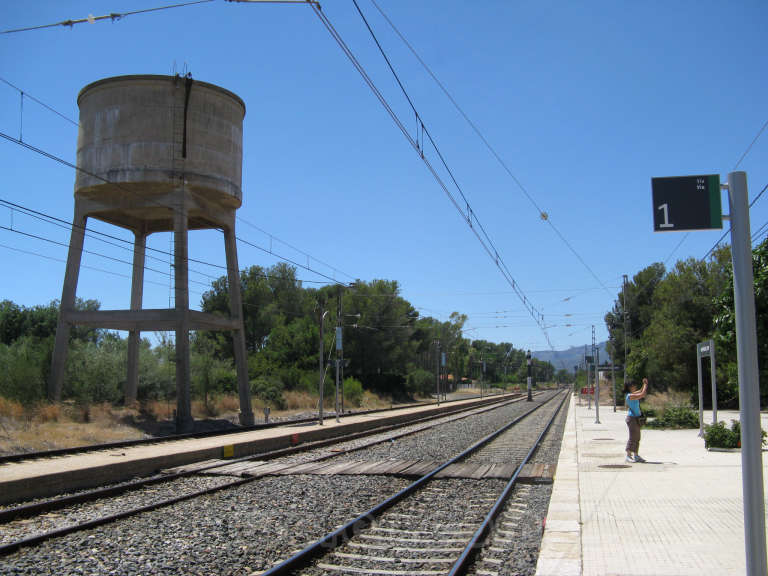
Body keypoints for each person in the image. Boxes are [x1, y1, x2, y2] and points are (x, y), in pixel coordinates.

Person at [625, 378, 648, 463]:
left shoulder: (632, 394)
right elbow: (642, 394)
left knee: (637, 437)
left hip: (636, 418)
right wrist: (645, 384)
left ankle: (636, 455)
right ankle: (628, 455)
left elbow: (641, 391)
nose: (635, 387)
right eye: (633, 385)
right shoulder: (629, 396)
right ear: (630, 387)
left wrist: (644, 385)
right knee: (632, 437)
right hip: (632, 419)